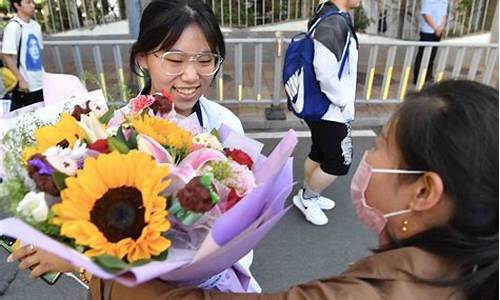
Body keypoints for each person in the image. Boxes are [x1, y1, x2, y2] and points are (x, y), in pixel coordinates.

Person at [89, 80, 498, 299]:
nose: (367, 161)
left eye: (378, 147)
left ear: (424, 192)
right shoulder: (465, 271)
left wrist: (99, 266)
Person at [7, 0, 261, 293]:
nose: (192, 76)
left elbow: (242, 226)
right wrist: (77, 257)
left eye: (205, 60)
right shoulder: (113, 133)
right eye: (175, 60)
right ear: (142, 58)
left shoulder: (226, 124)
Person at [292, 0, 359, 226]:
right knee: (339, 161)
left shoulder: (325, 15)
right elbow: (325, 71)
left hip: (320, 106)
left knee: (320, 151)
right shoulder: (333, 23)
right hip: (331, 109)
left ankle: (310, 193)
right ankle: (308, 198)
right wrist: (342, 102)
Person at [1, 0, 44, 111]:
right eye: (28, 2)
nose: (32, 5)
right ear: (17, 5)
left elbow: (38, 55)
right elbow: (6, 55)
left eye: (33, 2)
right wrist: (21, 80)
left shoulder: (36, 26)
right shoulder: (14, 27)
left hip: (42, 82)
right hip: (26, 86)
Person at [413, 0, 448, 85]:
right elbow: (426, 15)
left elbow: (443, 15)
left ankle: (428, 77)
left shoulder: (444, 1)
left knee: (432, 56)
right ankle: (418, 78)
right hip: (427, 31)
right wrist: (436, 28)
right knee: (423, 55)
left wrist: (441, 28)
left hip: (438, 32)